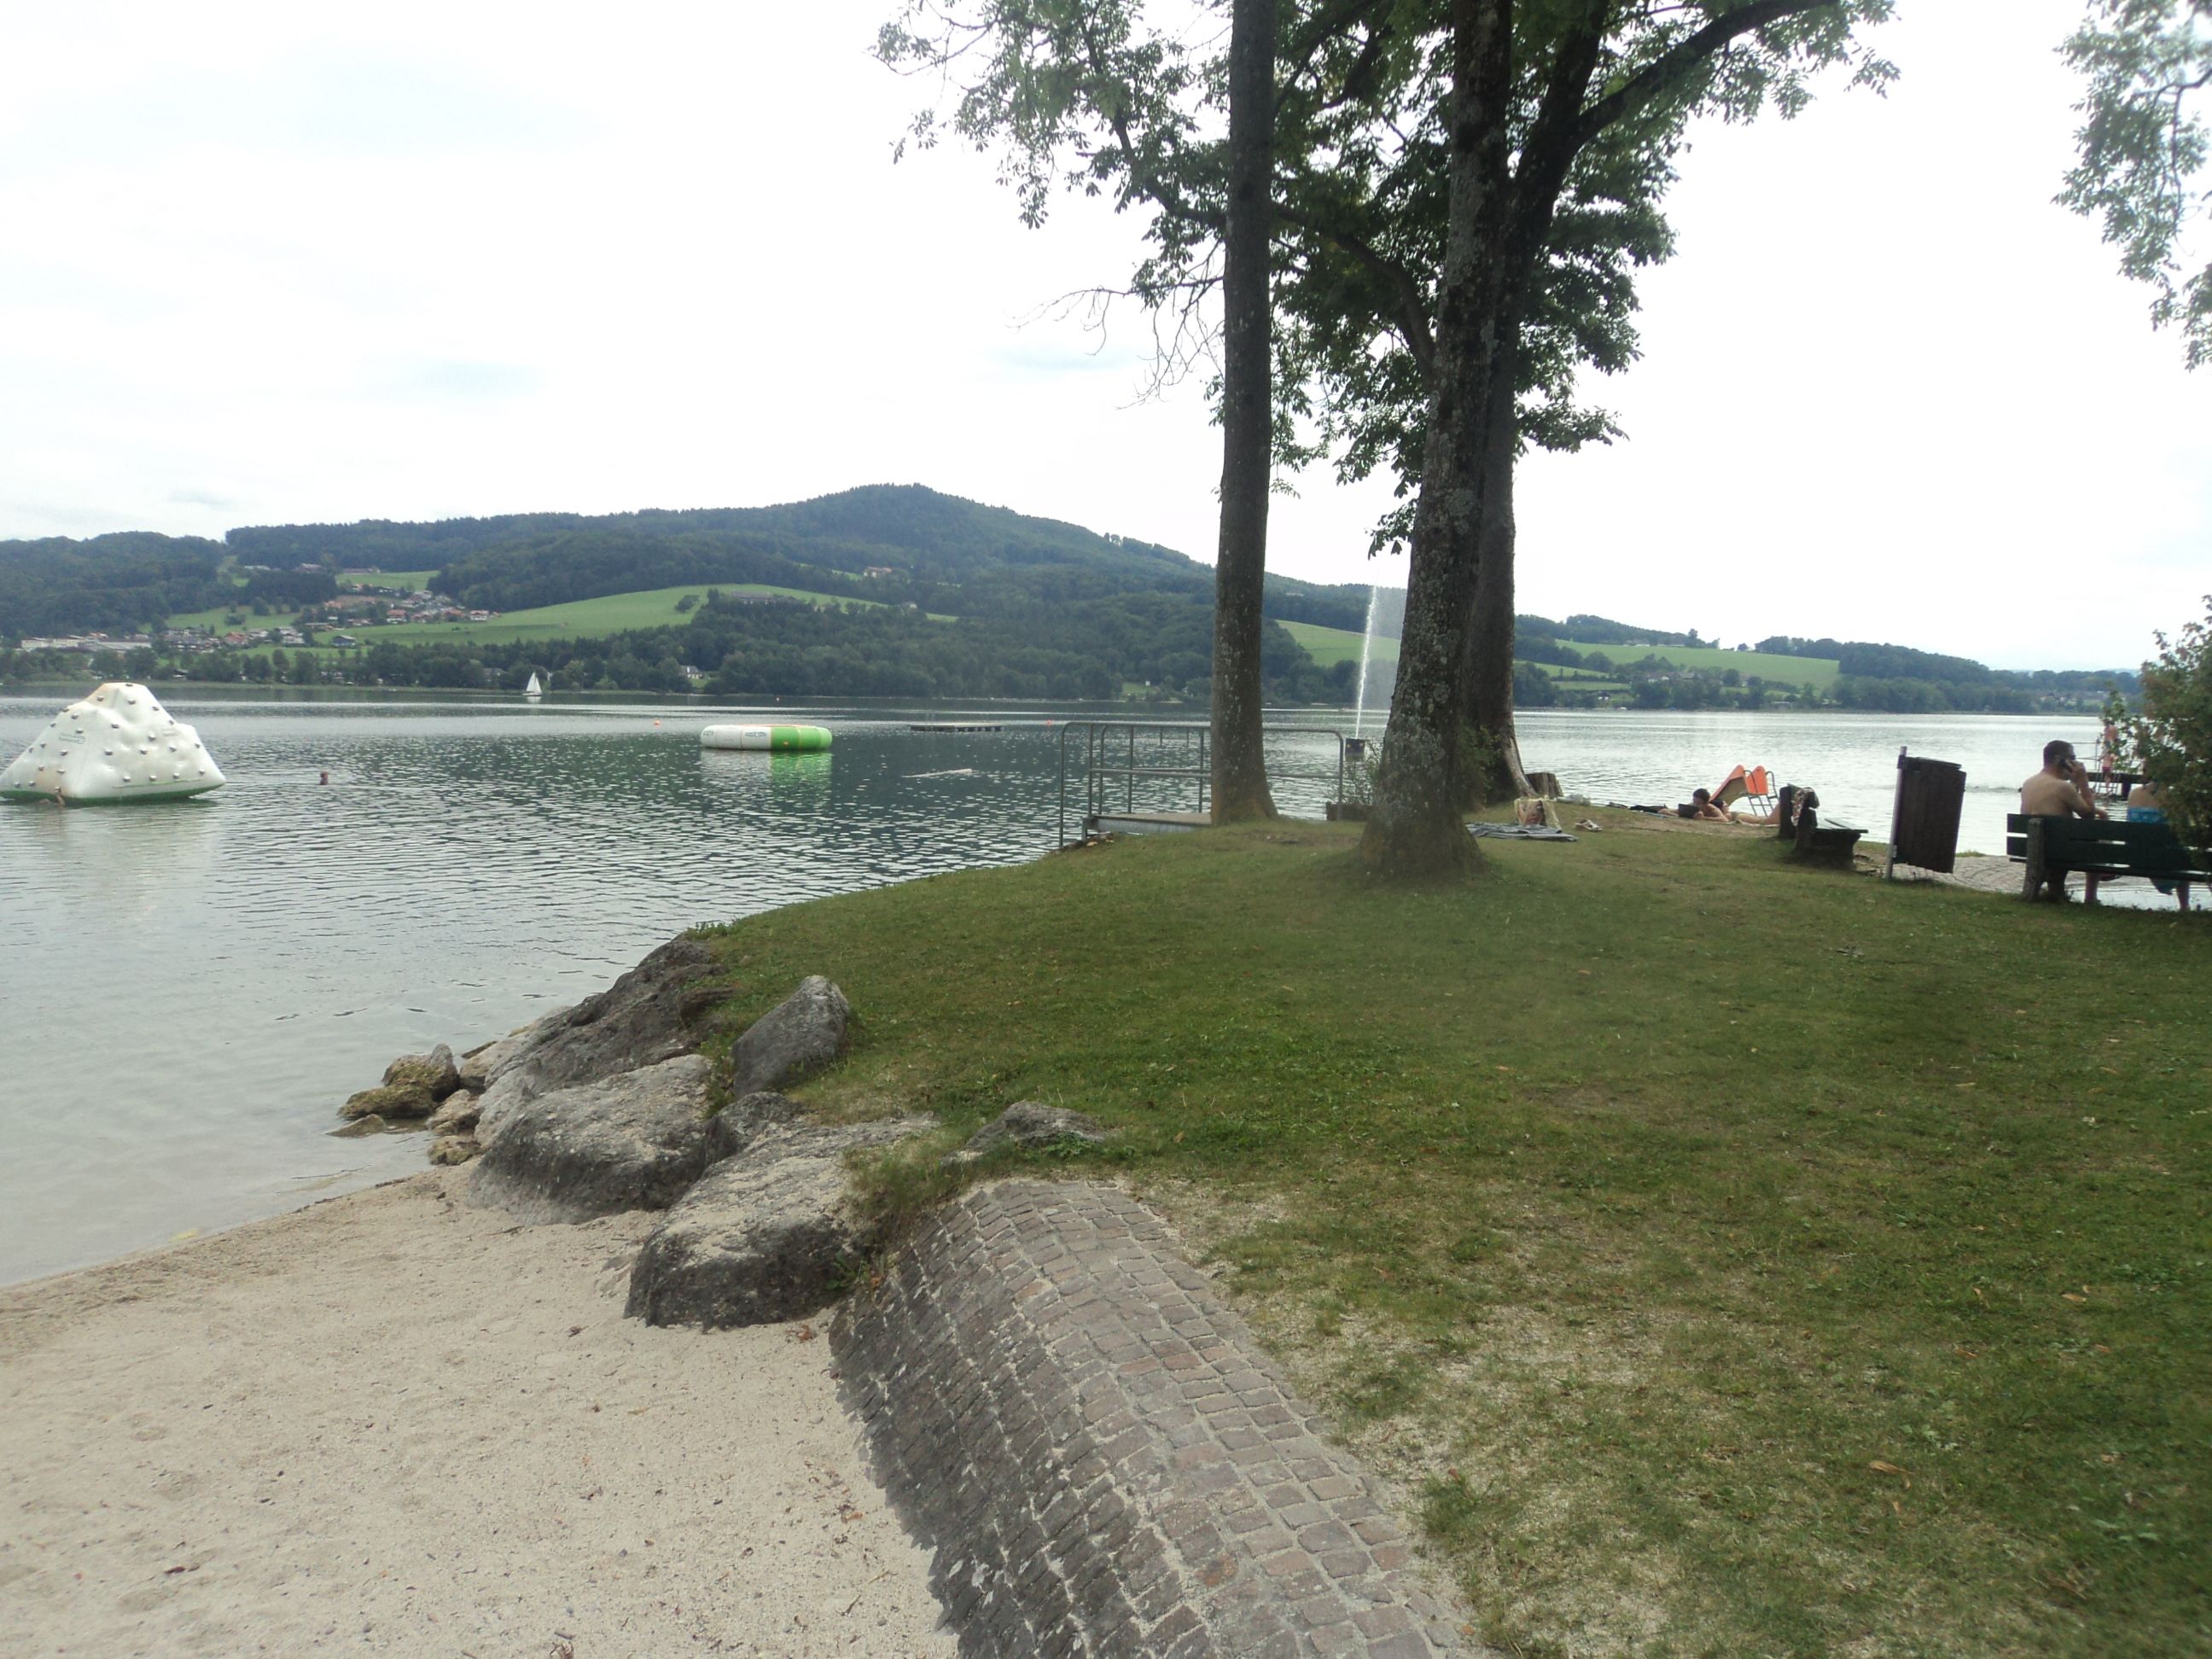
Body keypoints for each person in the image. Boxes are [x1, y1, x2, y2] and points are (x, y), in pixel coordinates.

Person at [2020, 739, 2105, 900]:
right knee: (2096, 844)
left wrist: (2074, 784)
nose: (2075, 763)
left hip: (2033, 848)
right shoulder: (2062, 787)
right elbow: (2088, 814)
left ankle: (2055, 890)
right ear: (2061, 760)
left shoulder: (2028, 783)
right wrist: (2083, 782)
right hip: (2060, 851)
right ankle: (2091, 897)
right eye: (2072, 758)